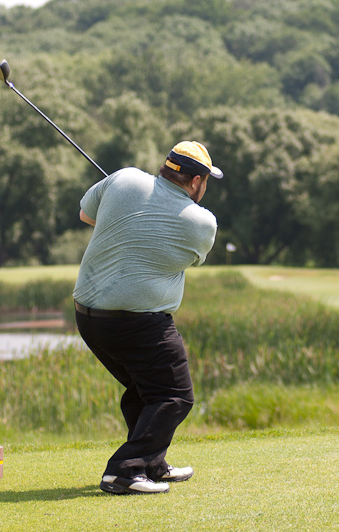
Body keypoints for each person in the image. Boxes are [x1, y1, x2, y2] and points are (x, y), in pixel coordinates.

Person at [72, 141, 223, 495]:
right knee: (175, 395)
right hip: (138, 323)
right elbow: (191, 259)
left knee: (146, 389)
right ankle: (123, 471)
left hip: (89, 318)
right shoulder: (202, 222)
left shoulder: (123, 178)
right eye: (206, 181)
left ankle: (151, 464)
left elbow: (86, 215)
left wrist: (124, 212)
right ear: (196, 181)